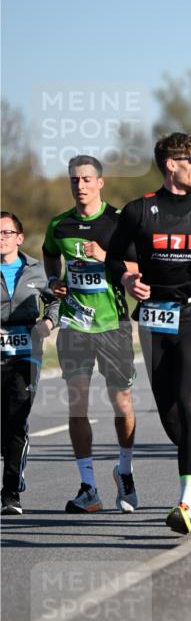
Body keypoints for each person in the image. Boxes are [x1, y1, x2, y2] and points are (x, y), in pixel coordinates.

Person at [107, 132, 191, 534]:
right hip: (153, 317)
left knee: (188, 404)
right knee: (171, 418)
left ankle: (184, 502)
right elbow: (114, 259)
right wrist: (129, 282)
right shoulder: (138, 211)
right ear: (172, 165)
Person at [42, 156, 138, 514]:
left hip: (113, 324)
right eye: (73, 180)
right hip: (75, 326)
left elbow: (140, 267)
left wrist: (106, 257)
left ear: (100, 182)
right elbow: (51, 255)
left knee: (122, 401)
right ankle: (89, 488)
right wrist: (54, 281)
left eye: (85, 179)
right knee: (77, 400)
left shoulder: (119, 223)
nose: (79, 186)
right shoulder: (59, 225)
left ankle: (125, 471)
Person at [1, 212, 59, 514]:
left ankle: (10, 492)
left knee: (15, 420)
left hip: (26, 353)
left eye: (7, 233)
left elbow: (56, 299)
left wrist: (49, 321)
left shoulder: (36, 271)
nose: (1, 238)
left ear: (19, 238)